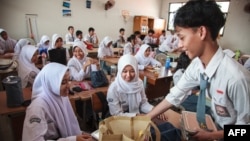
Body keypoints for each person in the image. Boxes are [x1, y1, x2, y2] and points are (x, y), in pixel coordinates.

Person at [146, 1, 250, 141]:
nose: (180, 45)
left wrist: (213, 136)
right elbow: (175, 95)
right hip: (215, 125)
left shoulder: (236, 78)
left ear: (201, 32)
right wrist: (146, 118)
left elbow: (244, 130)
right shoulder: (197, 66)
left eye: (182, 37)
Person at [107, 54, 181, 141]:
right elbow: (116, 114)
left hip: (139, 119)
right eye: (124, 71)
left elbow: (143, 103)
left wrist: (154, 110)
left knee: (171, 129)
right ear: (119, 71)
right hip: (122, 122)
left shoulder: (139, 83)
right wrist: (137, 116)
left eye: (132, 71)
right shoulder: (114, 88)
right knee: (154, 136)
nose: (128, 75)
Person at [22, 63, 93, 141]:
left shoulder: (61, 97)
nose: (69, 86)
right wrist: (73, 139)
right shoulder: (37, 108)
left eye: (69, 80)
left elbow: (71, 127)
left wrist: (80, 134)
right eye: (63, 82)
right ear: (51, 83)